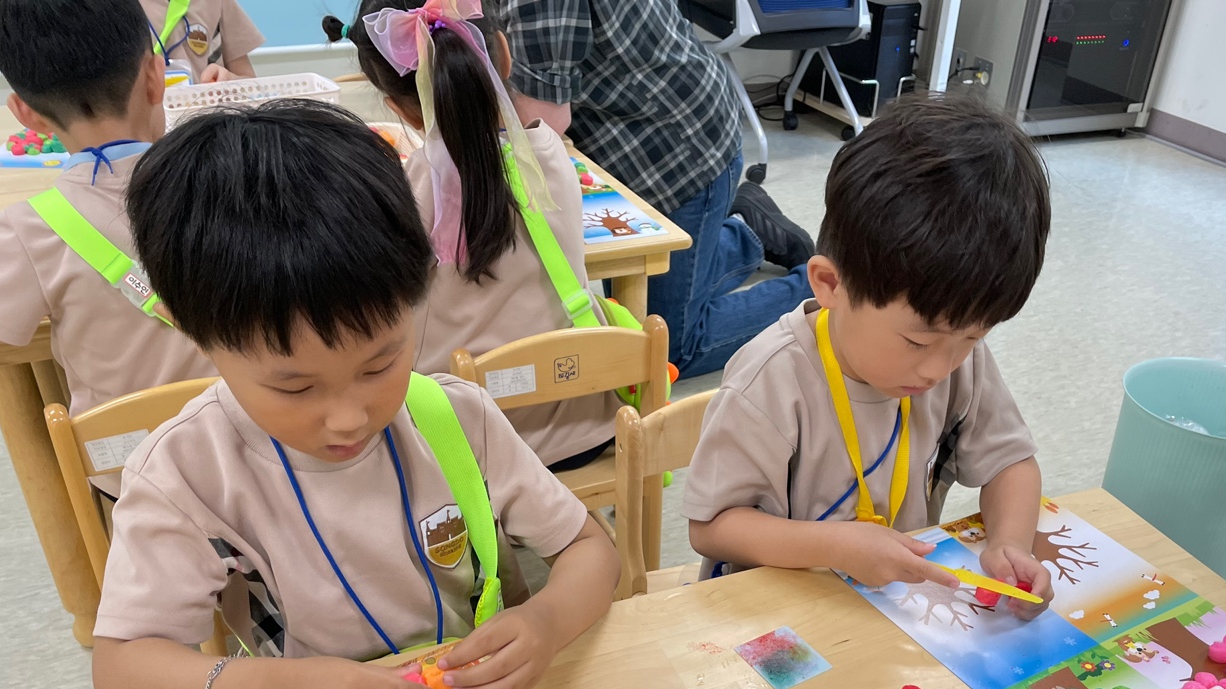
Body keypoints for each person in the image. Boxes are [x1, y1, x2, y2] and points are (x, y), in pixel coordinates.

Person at [91, 101, 619, 689]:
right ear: (184, 323)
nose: (348, 418)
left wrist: (545, 620)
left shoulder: (453, 417)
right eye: (294, 385)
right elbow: (121, 667)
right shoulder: (188, 472)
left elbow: (589, 549)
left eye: (380, 364)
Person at [685, 94, 1056, 617]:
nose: (939, 368)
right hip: (776, 613)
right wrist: (837, 544)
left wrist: (1011, 542)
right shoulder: (771, 379)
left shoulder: (956, 357)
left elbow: (1010, 462)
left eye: (973, 337)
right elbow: (712, 526)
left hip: (890, 611)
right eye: (918, 342)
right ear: (831, 284)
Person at [323, 0, 617, 470]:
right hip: (582, 428)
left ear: (399, 107)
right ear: (504, 54)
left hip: (458, 447)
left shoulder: (399, 195)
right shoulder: (552, 158)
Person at [491, 0, 814, 378]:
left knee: (665, 347)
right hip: (664, 125)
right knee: (629, 306)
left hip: (677, 153)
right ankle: (745, 234)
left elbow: (542, 121)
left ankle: (820, 287)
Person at [0, 0, 214, 424]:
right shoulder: (229, 178)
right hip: (262, 451)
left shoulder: (28, 230)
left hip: (132, 477)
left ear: (25, 113)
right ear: (155, 77)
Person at [139, 0, 263, 84]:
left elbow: (249, 81)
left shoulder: (216, 3)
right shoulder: (123, 6)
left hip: (205, 117)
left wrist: (228, 80)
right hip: (146, 117)